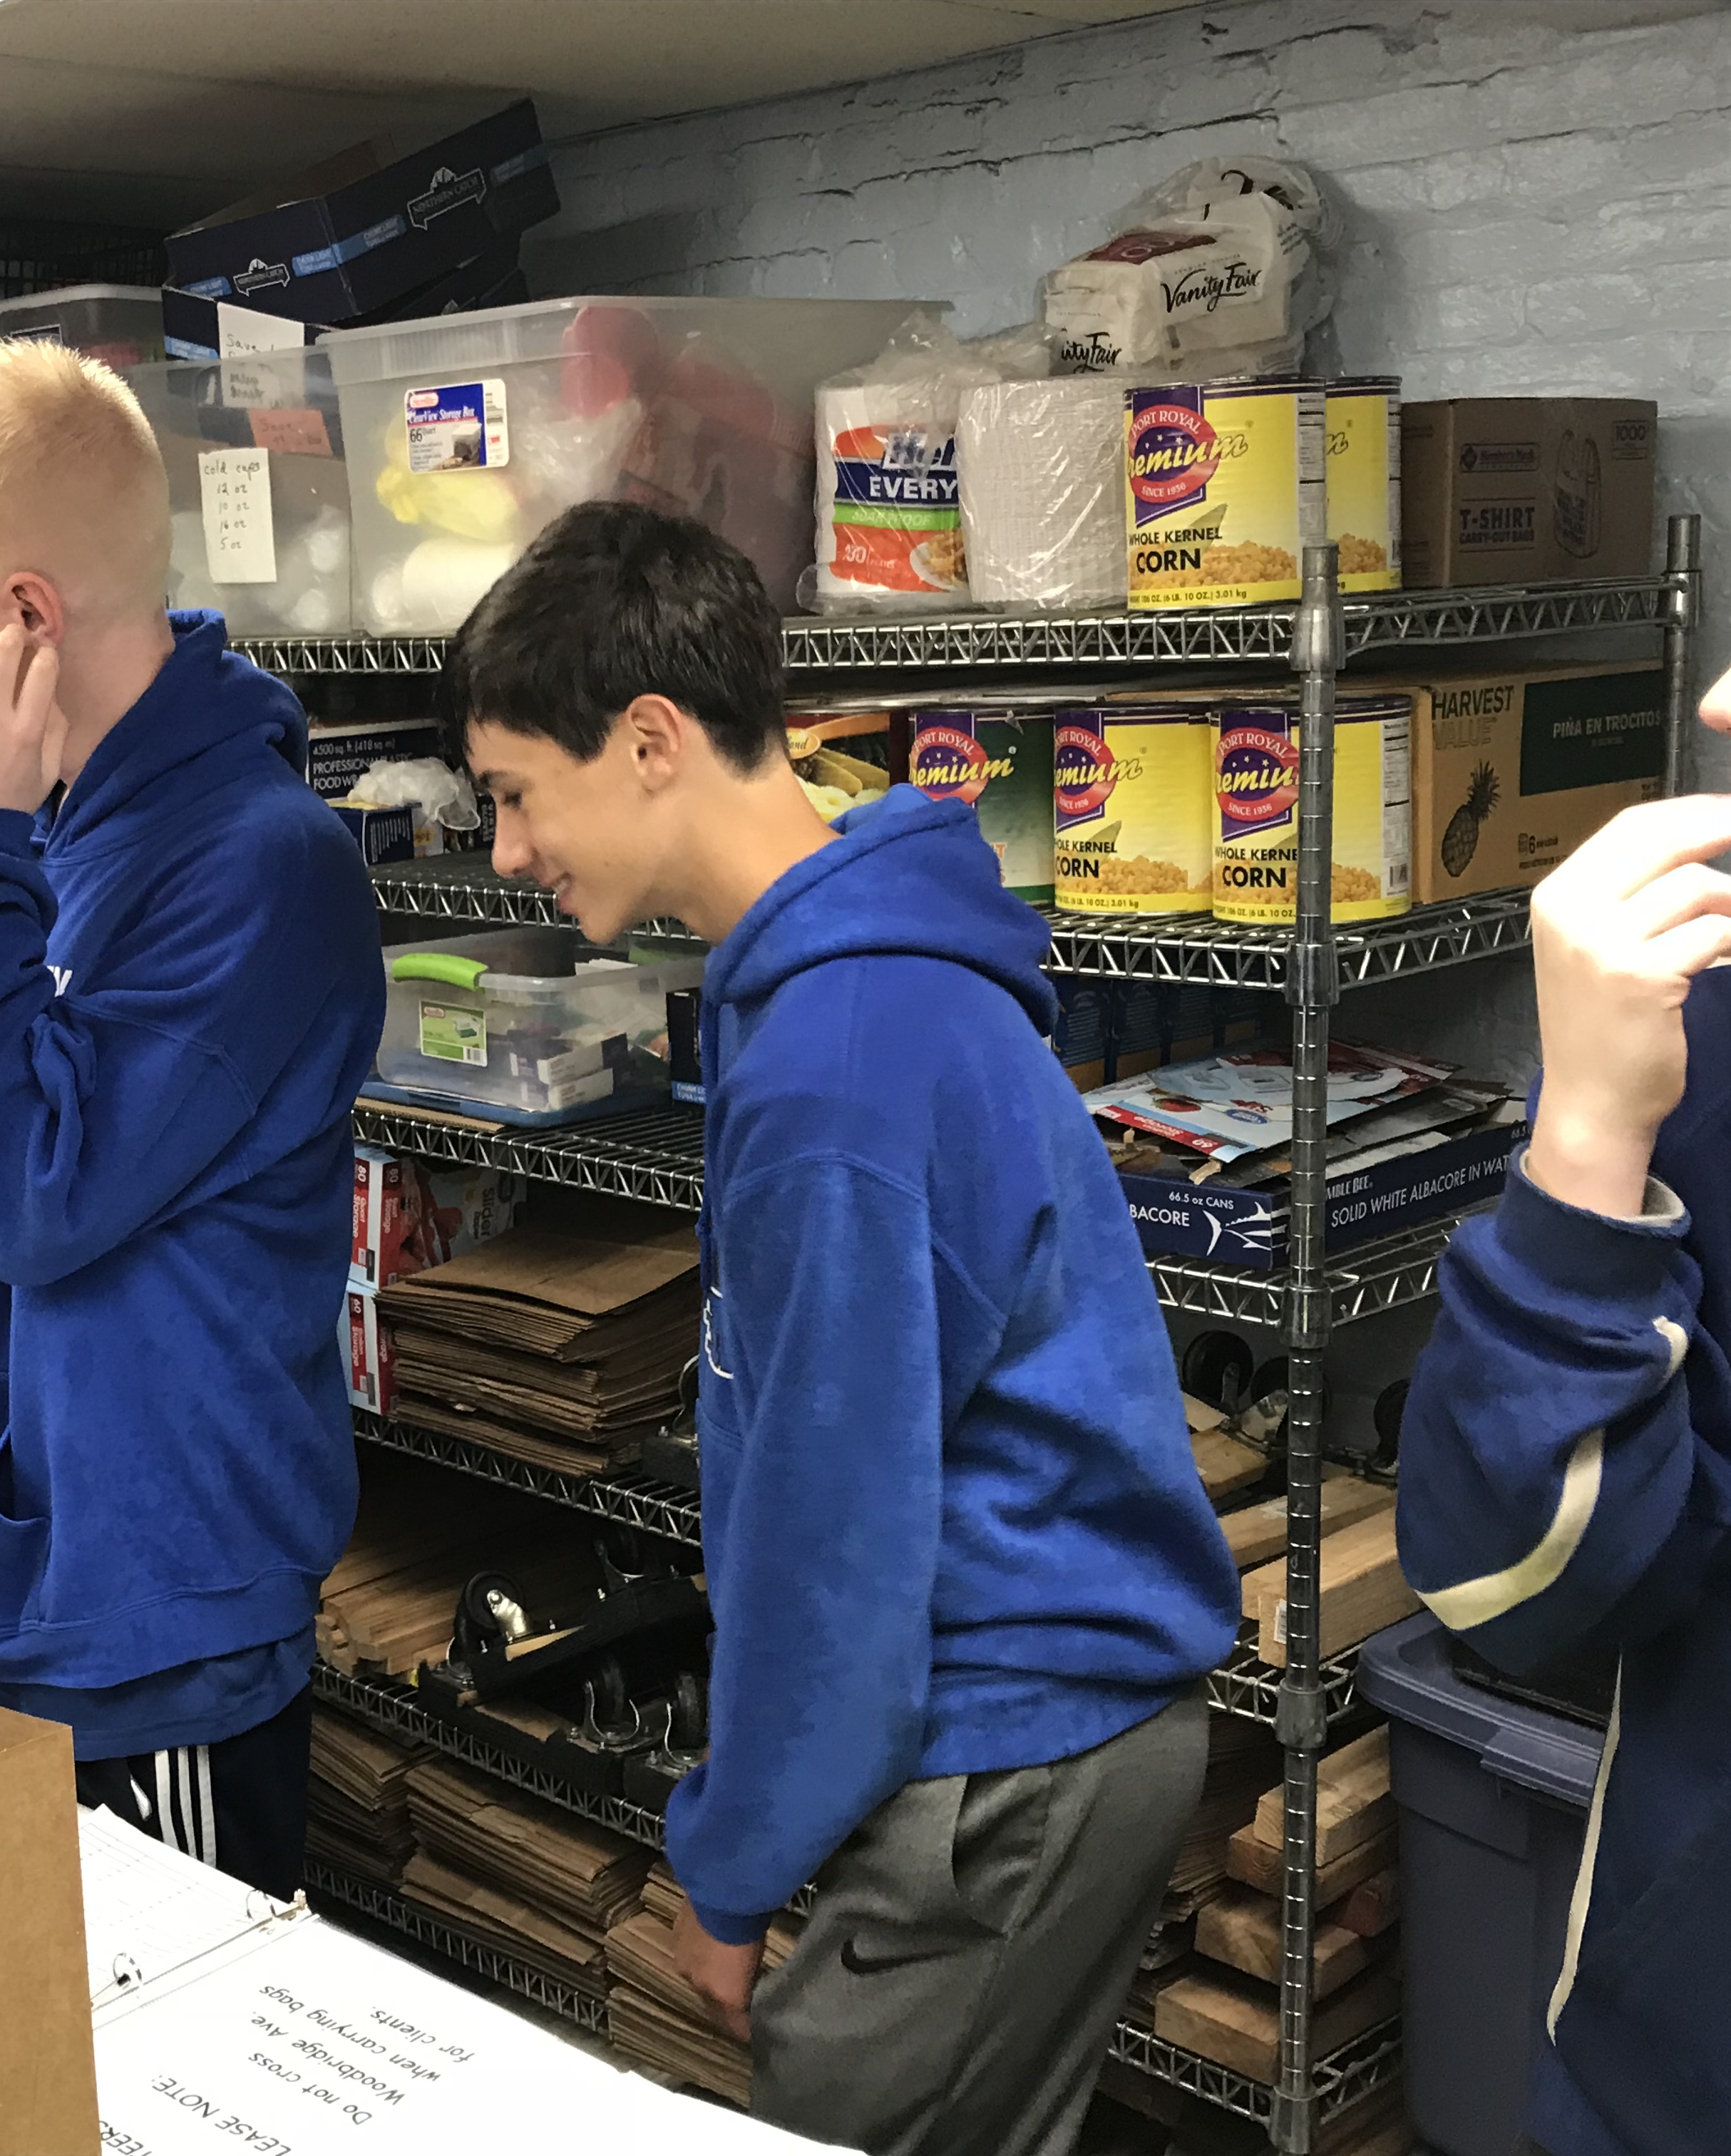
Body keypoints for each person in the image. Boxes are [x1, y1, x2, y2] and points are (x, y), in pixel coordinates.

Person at [446, 502, 1240, 2156]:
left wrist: (730, 1869)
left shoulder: (841, 1061)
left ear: (649, 741)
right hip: (1025, 1711)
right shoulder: (840, 986)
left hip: (1012, 1735)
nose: (506, 851)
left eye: (515, 792)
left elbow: (836, 1540)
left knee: (836, 2118)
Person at [0, 340, 384, 1900]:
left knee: (161, 2036)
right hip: (15, 1582)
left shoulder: (256, 867)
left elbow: (31, 1197)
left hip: (148, 1633)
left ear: (25, 617)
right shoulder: (63, 821)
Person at [1394, 669, 1731, 2156]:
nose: (1717, 701)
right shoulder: (1701, 1031)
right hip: (1664, 2088)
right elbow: (1502, 1583)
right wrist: (1590, 1139)